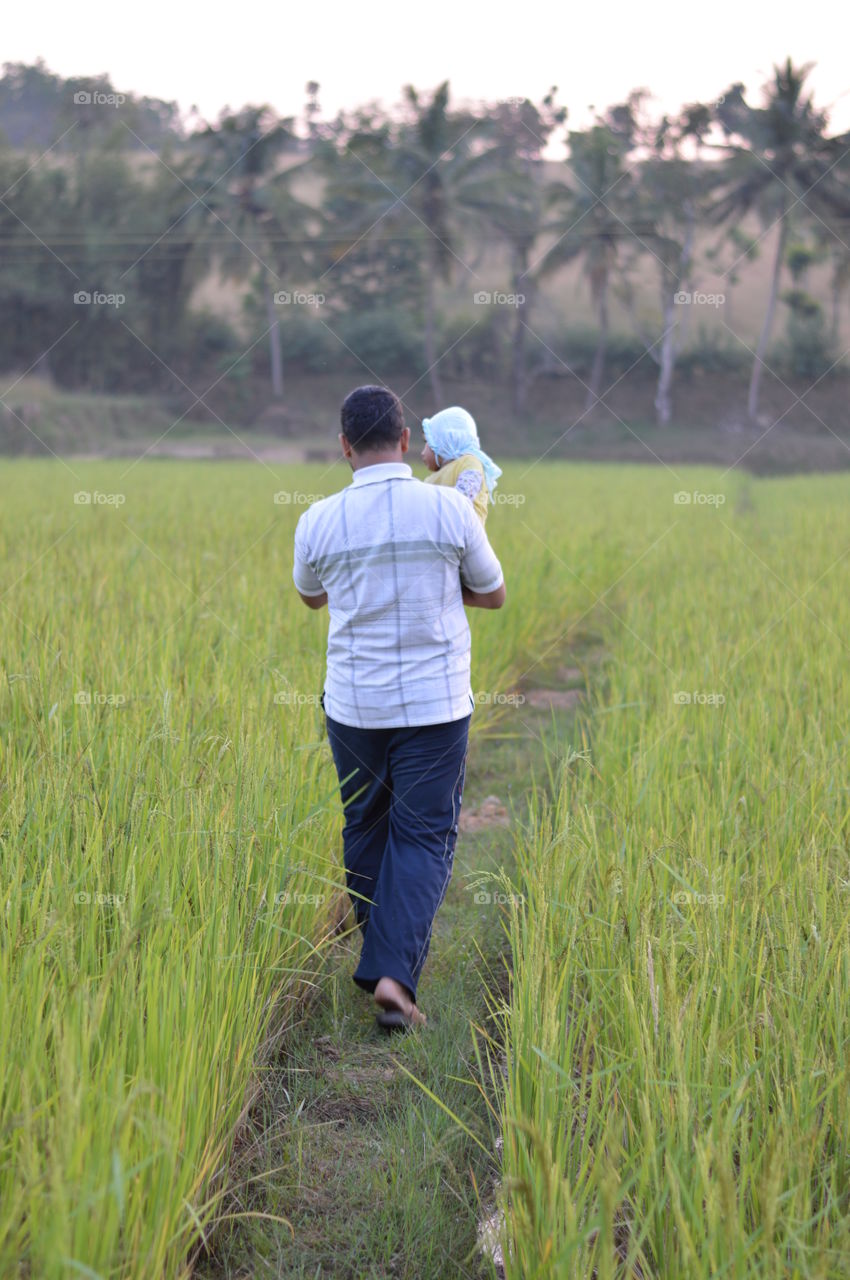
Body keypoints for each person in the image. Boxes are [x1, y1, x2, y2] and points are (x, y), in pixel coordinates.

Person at [292, 385, 506, 1032]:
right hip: (435, 705)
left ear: (344, 447)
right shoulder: (449, 509)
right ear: (407, 440)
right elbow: (493, 594)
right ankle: (392, 974)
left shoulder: (318, 518)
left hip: (355, 705)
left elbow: (312, 598)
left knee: (366, 826)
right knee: (423, 835)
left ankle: (383, 960)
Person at [420, 405, 503, 526]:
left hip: (464, 541)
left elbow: (464, 497)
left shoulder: (469, 462)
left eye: (427, 442)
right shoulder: (432, 478)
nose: (422, 452)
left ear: (445, 441)